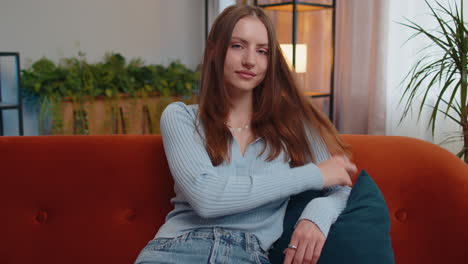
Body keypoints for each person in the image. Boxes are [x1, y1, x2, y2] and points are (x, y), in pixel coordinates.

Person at [135, 4, 357, 264]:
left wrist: (314, 216)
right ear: (214, 51)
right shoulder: (180, 117)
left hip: (247, 254)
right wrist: (312, 175)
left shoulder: (293, 124)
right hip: (175, 250)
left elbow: (340, 188)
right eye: (237, 46)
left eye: (262, 51)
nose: (250, 60)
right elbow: (207, 198)